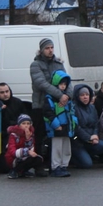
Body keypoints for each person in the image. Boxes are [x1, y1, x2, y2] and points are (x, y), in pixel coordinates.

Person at [30, 38, 66, 168]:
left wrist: (68, 95)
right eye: (47, 48)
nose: (50, 50)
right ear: (41, 50)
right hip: (40, 105)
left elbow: (66, 81)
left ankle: (54, 164)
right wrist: (60, 95)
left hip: (57, 106)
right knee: (40, 136)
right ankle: (39, 164)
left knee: (55, 136)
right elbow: (41, 84)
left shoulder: (58, 63)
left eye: (52, 47)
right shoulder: (36, 65)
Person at [43, 70, 75, 177]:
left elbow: (71, 111)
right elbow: (48, 113)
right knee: (56, 148)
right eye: (61, 84)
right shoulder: (50, 98)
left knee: (66, 147)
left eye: (65, 84)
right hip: (56, 128)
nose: (63, 86)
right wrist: (56, 125)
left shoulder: (67, 98)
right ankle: (55, 166)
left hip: (66, 126)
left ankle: (64, 165)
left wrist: (73, 123)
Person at [70, 84, 103, 169]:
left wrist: (95, 135)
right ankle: (73, 158)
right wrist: (89, 138)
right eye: (82, 95)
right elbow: (76, 127)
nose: (85, 97)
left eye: (87, 95)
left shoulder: (92, 108)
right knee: (87, 164)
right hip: (78, 141)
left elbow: (96, 124)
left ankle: (88, 154)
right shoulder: (73, 108)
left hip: (91, 139)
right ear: (77, 96)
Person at [4, 114, 45, 178]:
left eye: (28, 123)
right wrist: (27, 152)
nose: (26, 125)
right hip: (12, 158)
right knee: (26, 158)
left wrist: (28, 139)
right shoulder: (13, 135)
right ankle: (14, 171)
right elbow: (12, 152)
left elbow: (32, 149)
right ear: (19, 124)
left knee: (37, 158)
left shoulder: (31, 134)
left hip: (24, 156)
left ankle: (25, 171)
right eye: (23, 123)